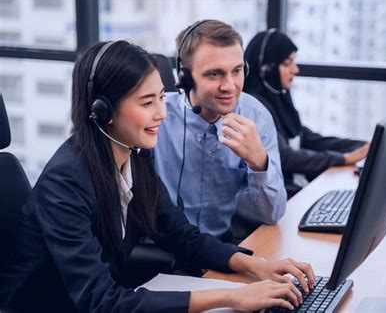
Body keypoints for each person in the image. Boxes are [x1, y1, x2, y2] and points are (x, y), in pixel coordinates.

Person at [0, 40, 315, 312]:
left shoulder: (132, 158)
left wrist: (258, 265)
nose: (162, 113)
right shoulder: (65, 182)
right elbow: (101, 302)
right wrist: (234, 296)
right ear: (103, 111)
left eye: (162, 97)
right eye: (147, 102)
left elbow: (180, 234)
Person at [154, 20, 286, 241]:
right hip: (161, 250)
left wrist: (259, 162)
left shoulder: (256, 116)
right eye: (214, 74)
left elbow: (273, 215)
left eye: (237, 71)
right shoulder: (157, 117)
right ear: (185, 78)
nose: (230, 86)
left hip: (221, 247)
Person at [244, 30, 370, 197]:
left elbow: (308, 138)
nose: (295, 70)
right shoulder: (254, 108)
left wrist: (364, 146)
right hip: (281, 196)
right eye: (287, 63)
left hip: (296, 188)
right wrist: (343, 159)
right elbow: (286, 157)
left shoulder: (278, 98)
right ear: (267, 69)